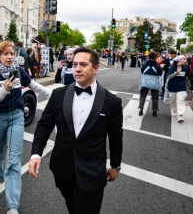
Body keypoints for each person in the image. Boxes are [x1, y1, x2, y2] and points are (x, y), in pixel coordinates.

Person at [29, 47, 123, 214]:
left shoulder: (111, 101)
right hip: (62, 169)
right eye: (75, 64)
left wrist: (115, 166)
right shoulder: (58, 95)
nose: (77, 69)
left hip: (92, 172)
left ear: (95, 68)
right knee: (72, 207)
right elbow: (44, 125)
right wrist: (36, 154)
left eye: (83, 64)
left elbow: (116, 137)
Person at [0, 41, 52, 214]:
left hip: (17, 117)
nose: (10, 56)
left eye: (12, 53)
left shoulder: (18, 71)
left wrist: (51, 93)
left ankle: (12, 206)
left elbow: (33, 86)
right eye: (5, 53)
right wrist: (3, 90)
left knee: (14, 159)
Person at [167, 55, 191, 123]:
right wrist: (177, 72)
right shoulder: (172, 67)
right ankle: (174, 110)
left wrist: (188, 85)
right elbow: (170, 77)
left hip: (182, 86)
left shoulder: (185, 68)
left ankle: (180, 115)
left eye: (185, 59)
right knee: (173, 100)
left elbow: (186, 77)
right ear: (179, 60)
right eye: (183, 59)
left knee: (180, 100)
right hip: (172, 86)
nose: (185, 60)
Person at [138, 52, 163, 116]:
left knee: (143, 95)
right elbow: (160, 73)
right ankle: (154, 110)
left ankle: (141, 109)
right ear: (155, 57)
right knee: (154, 96)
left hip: (145, 80)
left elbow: (142, 71)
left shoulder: (144, 64)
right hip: (154, 81)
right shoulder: (157, 65)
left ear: (148, 57)